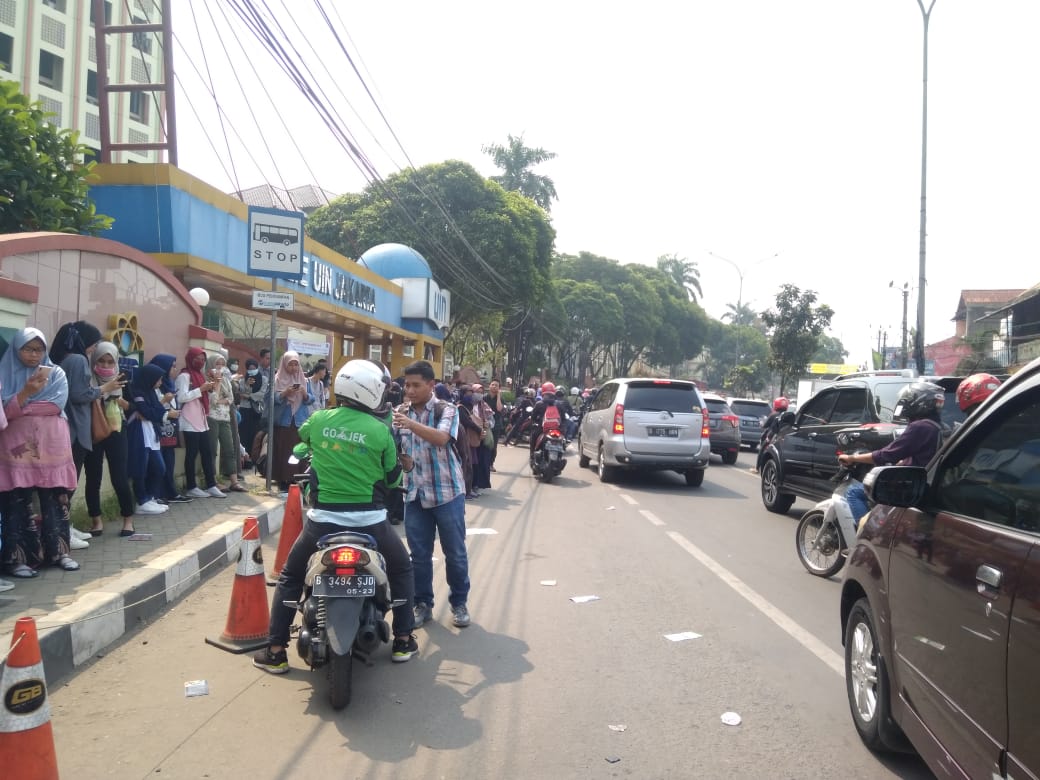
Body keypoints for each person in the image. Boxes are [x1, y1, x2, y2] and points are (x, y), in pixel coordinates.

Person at [253, 359, 418, 673]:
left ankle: (275, 650)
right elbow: (393, 476)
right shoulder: (380, 431)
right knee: (402, 569)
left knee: (289, 577)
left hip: (323, 521)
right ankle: (403, 639)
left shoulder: (318, 419)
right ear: (371, 392)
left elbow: (305, 443)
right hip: (370, 522)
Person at [393, 360, 471, 629]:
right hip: (414, 494)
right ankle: (422, 604)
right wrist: (400, 457)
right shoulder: (399, 413)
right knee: (418, 556)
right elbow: (395, 445)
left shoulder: (445, 409)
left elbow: (440, 438)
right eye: (407, 385)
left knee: (456, 553)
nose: (410, 390)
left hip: (447, 493)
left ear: (431, 385)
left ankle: (459, 603)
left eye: (416, 385)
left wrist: (409, 424)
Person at [0, 328, 80, 574]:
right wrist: (25, 393)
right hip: (16, 448)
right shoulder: (4, 373)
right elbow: (3, 413)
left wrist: (19, 405)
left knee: (55, 499)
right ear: (16, 349)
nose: (34, 355)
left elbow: (55, 405)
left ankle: (59, 553)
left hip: (52, 445)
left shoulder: (56, 373)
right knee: (16, 501)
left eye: (39, 350)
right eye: (28, 349)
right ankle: (18, 559)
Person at [838, 381, 946, 520]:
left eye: (909, 398)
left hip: (911, 487)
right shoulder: (940, 427)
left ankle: (866, 533)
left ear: (919, 402)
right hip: (926, 485)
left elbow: (886, 455)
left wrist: (852, 458)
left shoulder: (920, 427)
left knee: (854, 492)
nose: (905, 402)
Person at [84, 341, 139, 534]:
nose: (106, 366)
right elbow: (81, 398)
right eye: (101, 361)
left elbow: (133, 406)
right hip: (94, 429)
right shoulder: (87, 377)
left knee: (119, 476)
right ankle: (96, 521)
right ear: (94, 361)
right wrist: (103, 390)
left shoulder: (122, 378)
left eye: (109, 361)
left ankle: (128, 520)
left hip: (116, 428)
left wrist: (122, 402)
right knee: (93, 477)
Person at [126, 363, 174, 528]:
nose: (160, 382)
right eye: (158, 379)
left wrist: (159, 412)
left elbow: (154, 410)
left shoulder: (151, 392)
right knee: (140, 469)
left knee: (159, 468)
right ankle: (141, 501)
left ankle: (150, 497)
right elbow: (149, 411)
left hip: (151, 432)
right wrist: (164, 414)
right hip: (139, 434)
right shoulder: (137, 391)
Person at [176, 347, 226, 499]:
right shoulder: (184, 376)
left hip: (201, 419)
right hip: (189, 419)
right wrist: (200, 389)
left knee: (207, 452)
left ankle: (211, 484)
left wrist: (215, 385)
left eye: (203, 359)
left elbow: (210, 400)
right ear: (190, 358)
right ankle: (191, 486)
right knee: (191, 454)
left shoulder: (200, 375)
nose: (201, 362)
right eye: (197, 358)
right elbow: (181, 397)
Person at [147, 354, 194, 504]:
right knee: (159, 463)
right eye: (172, 366)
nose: (175, 369)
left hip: (170, 428)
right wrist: (165, 403)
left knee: (169, 461)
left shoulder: (170, 384)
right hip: (158, 428)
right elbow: (150, 409)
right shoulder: (153, 385)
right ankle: (158, 493)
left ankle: (170, 492)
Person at [271, 350, 314, 491]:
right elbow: (271, 399)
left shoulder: (304, 380)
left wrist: (304, 393)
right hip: (284, 422)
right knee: (283, 452)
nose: (294, 368)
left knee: (298, 452)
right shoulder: (277, 379)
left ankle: (297, 479)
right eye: (291, 365)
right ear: (284, 365)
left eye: (296, 364)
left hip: (300, 423)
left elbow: (311, 400)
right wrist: (285, 393)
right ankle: (283, 480)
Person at [206, 354, 245, 492]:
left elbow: (231, 398)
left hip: (225, 417)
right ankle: (213, 481)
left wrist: (221, 400)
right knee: (212, 450)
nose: (220, 366)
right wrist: (216, 383)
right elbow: (212, 400)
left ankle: (234, 481)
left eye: (222, 364)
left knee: (229, 448)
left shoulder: (226, 380)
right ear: (211, 364)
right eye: (217, 363)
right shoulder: (208, 380)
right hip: (212, 417)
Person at [237, 357, 264, 463]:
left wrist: (248, 396)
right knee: (244, 434)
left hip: (256, 411)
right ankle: (245, 457)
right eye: (250, 368)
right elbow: (240, 394)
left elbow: (262, 394)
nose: (252, 370)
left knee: (255, 433)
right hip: (244, 410)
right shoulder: (242, 381)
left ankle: (254, 457)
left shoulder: (264, 379)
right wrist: (247, 385)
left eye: (254, 368)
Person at [528, 381, 562, 466]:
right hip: (556, 429)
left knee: (533, 437)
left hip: (542, 429)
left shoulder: (539, 404)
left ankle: (532, 456)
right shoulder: (558, 404)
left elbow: (533, 417)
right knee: (562, 441)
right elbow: (564, 418)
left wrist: (533, 424)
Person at [485, 380, 506, 471]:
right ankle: (484, 463)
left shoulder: (500, 398)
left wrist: (498, 396)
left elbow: (499, 408)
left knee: (493, 446)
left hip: (496, 425)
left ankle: (491, 464)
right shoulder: (485, 397)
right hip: (486, 424)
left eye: (496, 385)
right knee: (485, 444)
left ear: (499, 388)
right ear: (489, 386)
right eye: (492, 384)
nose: (494, 386)